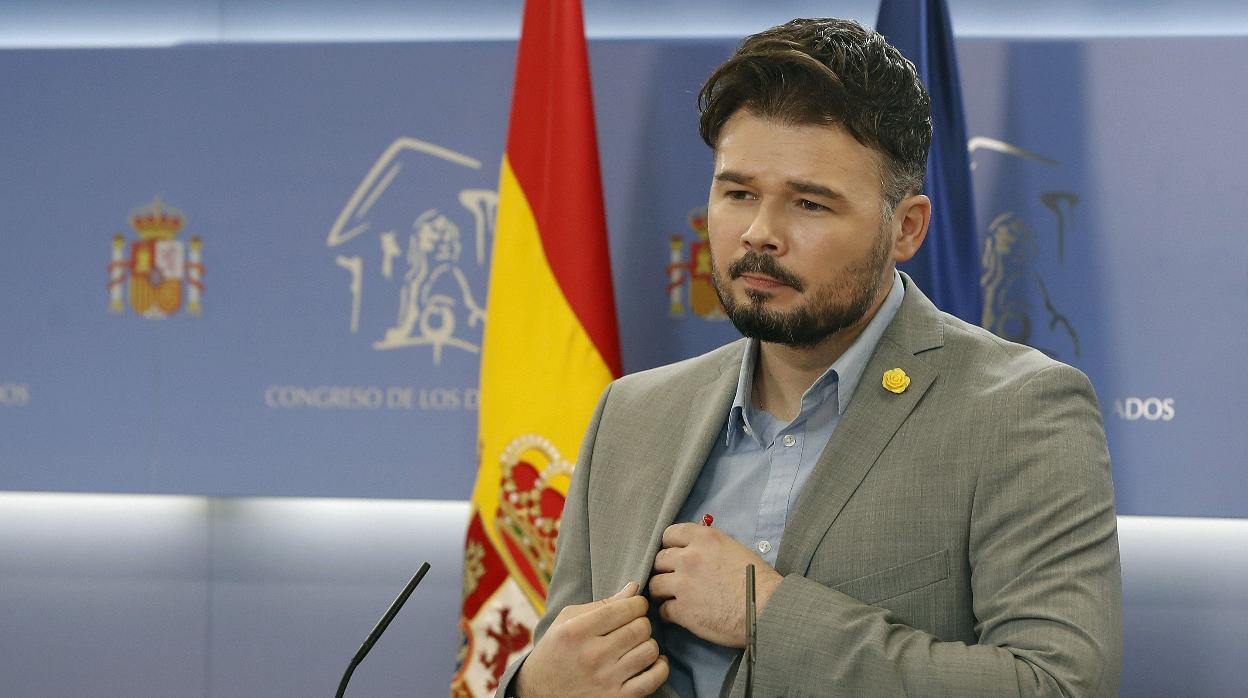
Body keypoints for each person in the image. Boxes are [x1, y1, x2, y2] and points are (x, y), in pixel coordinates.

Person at [500, 17, 1121, 698]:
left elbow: (1058, 686)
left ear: (906, 228)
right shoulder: (633, 413)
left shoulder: (1019, 412)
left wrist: (768, 616)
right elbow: (571, 660)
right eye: (738, 193)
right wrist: (531, 687)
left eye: (810, 204)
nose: (760, 233)